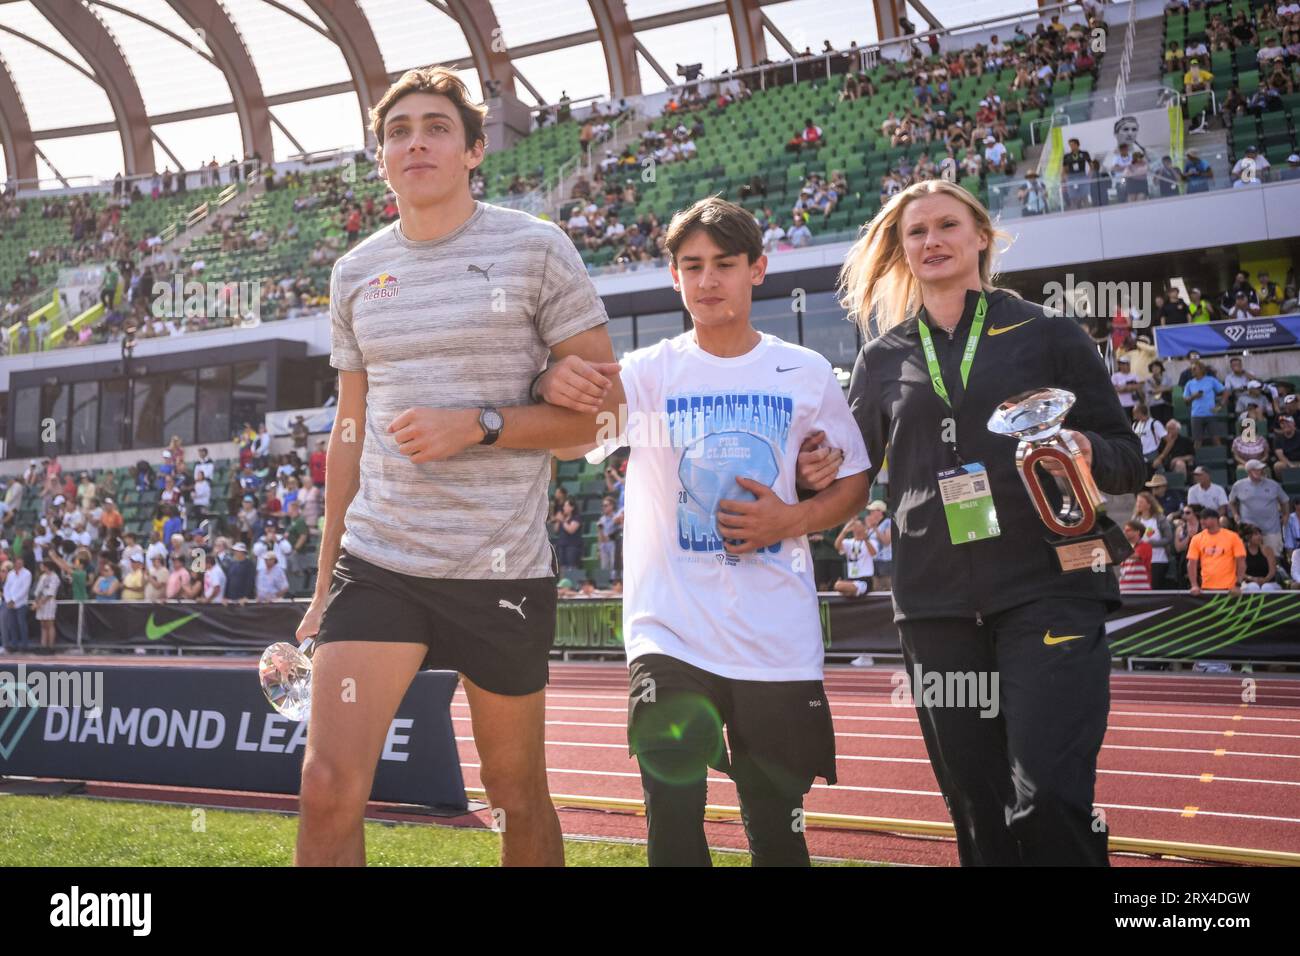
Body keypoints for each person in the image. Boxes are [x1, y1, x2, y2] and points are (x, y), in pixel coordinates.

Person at [296, 66, 624, 869]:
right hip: (381, 563)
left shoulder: (537, 249)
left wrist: (478, 425)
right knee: (328, 783)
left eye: (436, 127)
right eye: (398, 130)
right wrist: (323, 580)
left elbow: (599, 423)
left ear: (475, 149)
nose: (416, 141)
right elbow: (349, 431)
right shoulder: (354, 272)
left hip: (499, 569)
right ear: (380, 158)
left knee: (514, 794)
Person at [537, 195, 870, 867]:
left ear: (758, 269)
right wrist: (552, 377)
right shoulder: (647, 371)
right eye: (692, 266)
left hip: (775, 637)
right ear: (675, 277)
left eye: (724, 263)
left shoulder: (804, 372)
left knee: (778, 831)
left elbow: (853, 480)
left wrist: (792, 517)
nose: (708, 280)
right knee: (673, 824)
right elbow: (573, 444)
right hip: (671, 633)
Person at [825, 178, 1146, 866]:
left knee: (1050, 797)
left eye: (947, 226)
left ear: (981, 237)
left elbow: (1128, 458)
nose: (932, 241)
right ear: (901, 249)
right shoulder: (882, 359)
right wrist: (802, 479)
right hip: (935, 606)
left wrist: (1086, 451)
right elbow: (849, 476)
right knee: (979, 813)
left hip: (1049, 589)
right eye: (917, 232)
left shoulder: (1048, 333)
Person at [1230, 459, 1290, 556]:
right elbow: (1231, 502)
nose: (1260, 471)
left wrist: (1286, 515)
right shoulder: (1238, 485)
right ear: (1249, 471)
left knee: (1274, 557)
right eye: (1257, 469)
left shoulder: (1273, 484)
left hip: (1271, 528)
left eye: (1261, 469)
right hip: (1249, 530)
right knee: (1250, 559)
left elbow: (1285, 500)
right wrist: (1235, 514)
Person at [1187, 509, 1245, 594]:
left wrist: (1238, 584)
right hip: (1206, 588)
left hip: (1230, 589)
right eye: (1201, 518)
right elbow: (1192, 563)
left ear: (1215, 519)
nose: (1202, 521)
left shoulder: (1232, 537)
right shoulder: (1197, 539)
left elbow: (1241, 562)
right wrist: (1194, 585)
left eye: (1205, 518)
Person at [832, 517, 876, 597]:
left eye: (859, 526)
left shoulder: (870, 542)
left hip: (865, 579)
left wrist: (865, 539)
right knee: (837, 585)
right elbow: (837, 545)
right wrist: (844, 531)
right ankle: (852, 592)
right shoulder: (849, 542)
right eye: (854, 527)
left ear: (864, 527)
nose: (857, 529)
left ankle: (853, 592)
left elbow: (873, 553)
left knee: (840, 586)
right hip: (851, 578)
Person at [1239, 524, 1282, 591]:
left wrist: (1264, 580)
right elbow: (1240, 572)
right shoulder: (1242, 551)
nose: (1259, 536)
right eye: (1256, 534)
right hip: (1248, 582)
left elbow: (1272, 571)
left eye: (1260, 534)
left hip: (1269, 582)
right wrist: (1252, 579)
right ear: (1248, 537)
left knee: (1266, 587)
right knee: (1252, 587)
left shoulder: (1268, 550)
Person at [32, 558, 60, 652]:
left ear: (46, 567)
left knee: (49, 624)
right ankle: (43, 646)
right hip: (41, 602)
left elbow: (50, 593)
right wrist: (36, 602)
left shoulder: (54, 577)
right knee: (43, 624)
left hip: (49, 602)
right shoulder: (43, 576)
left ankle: (50, 646)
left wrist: (40, 603)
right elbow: (38, 590)